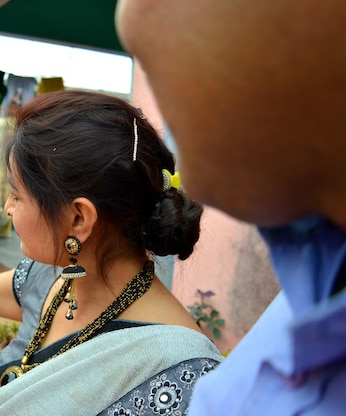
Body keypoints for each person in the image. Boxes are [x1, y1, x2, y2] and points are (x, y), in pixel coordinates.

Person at [0, 90, 223, 415]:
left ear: (79, 218)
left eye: (16, 195)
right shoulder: (52, 278)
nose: (7, 207)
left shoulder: (182, 376)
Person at [114, 1, 346, 414]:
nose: (129, 17)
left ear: (80, 217)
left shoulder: (176, 359)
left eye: (21, 194)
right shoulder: (318, 262)